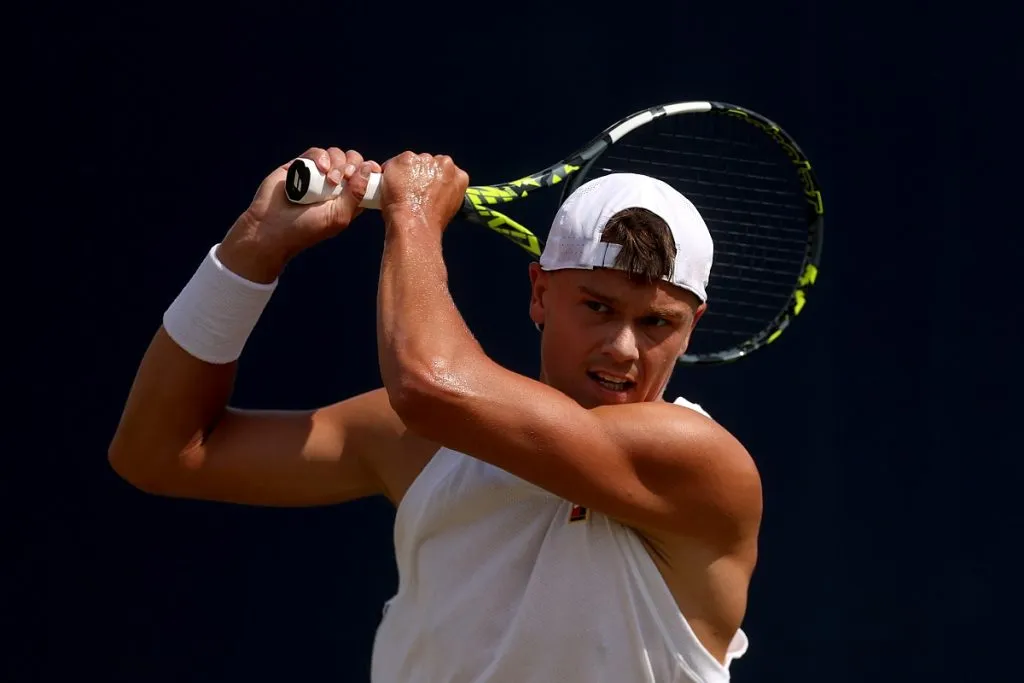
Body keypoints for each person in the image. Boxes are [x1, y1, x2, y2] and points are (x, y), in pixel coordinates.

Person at [109, 145, 763, 683]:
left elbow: (426, 383)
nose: (623, 347)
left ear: (691, 326)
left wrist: (414, 215)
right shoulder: (419, 441)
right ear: (540, 292)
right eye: (597, 307)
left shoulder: (700, 463)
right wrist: (252, 250)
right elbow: (161, 451)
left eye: (656, 323)